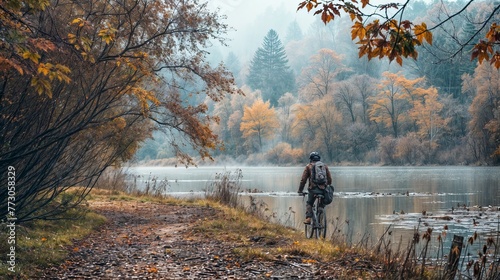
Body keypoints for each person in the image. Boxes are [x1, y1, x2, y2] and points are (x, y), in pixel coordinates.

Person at [297, 152, 332, 224]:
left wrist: (300, 190)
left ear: (311, 159)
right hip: (323, 190)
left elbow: (303, 180)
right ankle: (321, 220)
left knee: (309, 203)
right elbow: (329, 179)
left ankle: (308, 218)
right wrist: (327, 185)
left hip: (313, 189)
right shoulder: (324, 166)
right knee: (322, 205)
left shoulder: (308, 166)